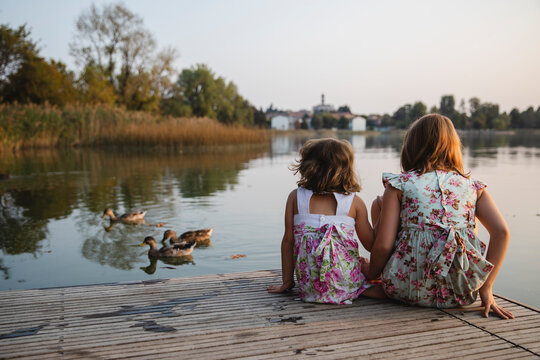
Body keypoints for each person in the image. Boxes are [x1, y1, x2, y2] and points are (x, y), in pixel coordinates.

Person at [367, 114, 513, 319]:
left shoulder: (399, 184)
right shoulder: (474, 187)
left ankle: (381, 284)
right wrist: (486, 288)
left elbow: (383, 245)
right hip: (462, 293)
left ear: (411, 145)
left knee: (380, 208)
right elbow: (502, 232)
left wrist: (372, 275)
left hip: (405, 289)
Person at [267, 138, 384, 304]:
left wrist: (287, 281)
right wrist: (382, 213)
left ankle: (341, 289)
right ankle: (357, 288)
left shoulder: (296, 197)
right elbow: (371, 245)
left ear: (308, 167)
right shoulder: (354, 202)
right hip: (346, 280)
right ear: (346, 170)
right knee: (367, 266)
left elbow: (288, 242)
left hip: (309, 288)